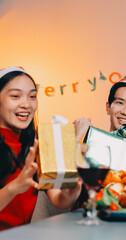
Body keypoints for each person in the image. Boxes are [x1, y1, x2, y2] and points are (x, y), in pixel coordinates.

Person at [0, 67, 82, 230]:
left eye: (32, 96)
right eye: (15, 96)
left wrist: (70, 194)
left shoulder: (38, 144)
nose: (26, 104)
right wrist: (15, 187)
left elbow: (58, 199)